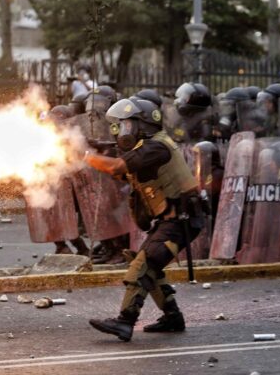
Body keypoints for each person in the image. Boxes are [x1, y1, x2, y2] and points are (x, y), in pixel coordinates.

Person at [85, 96, 205, 342]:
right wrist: (97, 153)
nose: (122, 131)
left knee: (141, 267)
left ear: (143, 125)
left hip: (180, 220)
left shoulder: (156, 147)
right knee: (151, 268)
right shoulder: (147, 150)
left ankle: (125, 322)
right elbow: (125, 173)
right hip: (172, 221)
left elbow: (116, 167)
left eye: (127, 125)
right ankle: (173, 317)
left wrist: (87, 156)